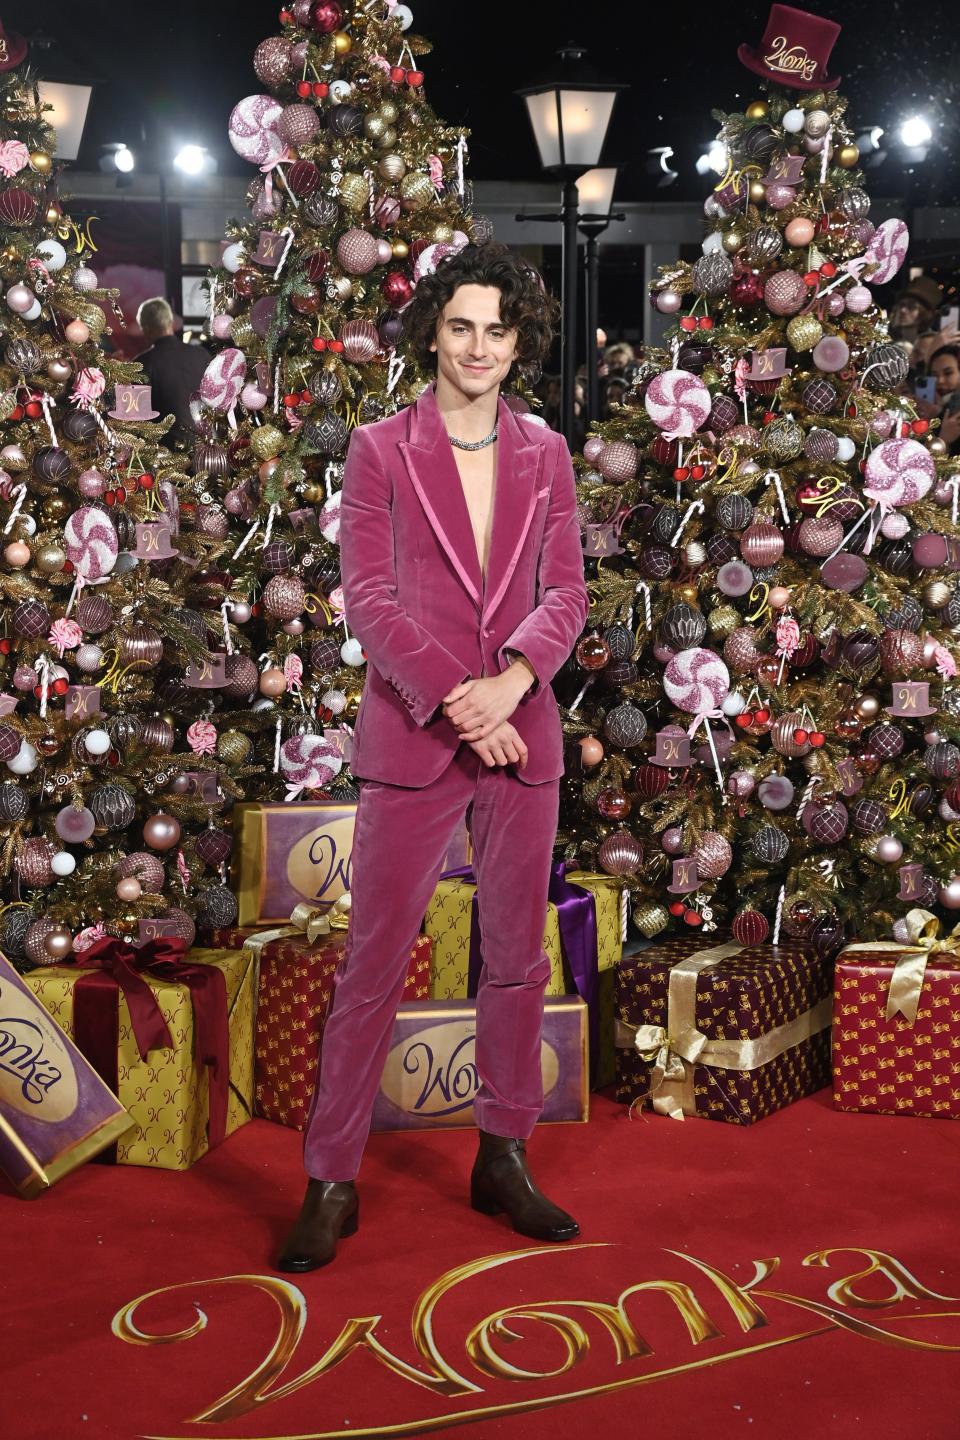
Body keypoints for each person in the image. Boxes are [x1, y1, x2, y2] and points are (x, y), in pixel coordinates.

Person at [277, 242, 589, 1273]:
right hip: (417, 732)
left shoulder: (546, 451)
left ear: (520, 341)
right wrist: (466, 701)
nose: (479, 347)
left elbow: (566, 596)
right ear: (433, 332)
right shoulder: (379, 446)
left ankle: (503, 1156)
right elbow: (368, 601)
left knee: (516, 958)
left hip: (520, 729)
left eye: (499, 330)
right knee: (374, 961)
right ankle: (332, 1176)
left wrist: (512, 685)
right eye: (462, 325)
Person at [135, 297, 211, 449]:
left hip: (166, 454)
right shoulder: (202, 355)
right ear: (171, 323)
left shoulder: (142, 363)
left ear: (146, 328)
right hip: (207, 448)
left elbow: (137, 421)